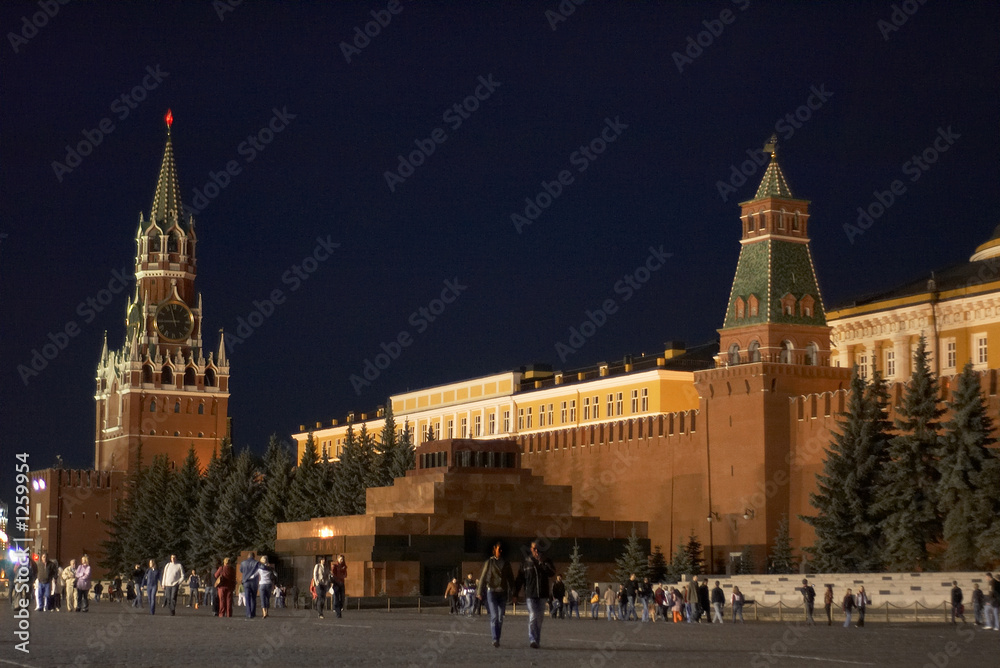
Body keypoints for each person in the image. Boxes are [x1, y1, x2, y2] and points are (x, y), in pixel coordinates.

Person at [512, 540, 556, 649]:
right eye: (533, 548)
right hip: (530, 595)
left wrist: (542, 563)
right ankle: (532, 639)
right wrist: (515, 593)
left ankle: (537, 640)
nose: (536, 550)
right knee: (533, 616)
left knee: (539, 618)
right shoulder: (525, 563)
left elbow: (552, 573)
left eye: (537, 548)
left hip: (542, 594)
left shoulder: (546, 561)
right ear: (531, 550)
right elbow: (519, 579)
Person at [476, 540, 516, 648]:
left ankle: (497, 638)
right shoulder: (489, 562)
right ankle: (494, 639)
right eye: (499, 549)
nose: (500, 551)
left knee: (500, 618)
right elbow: (483, 577)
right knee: (494, 616)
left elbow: (511, 579)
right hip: (492, 592)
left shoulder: (506, 563)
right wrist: (479, 591)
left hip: (502, 593)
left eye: (502, 549)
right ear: (495, 550)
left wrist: (514, 593)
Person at [239, 552, 261, 619]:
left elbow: (241, 570)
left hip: (246, 582)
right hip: (254, 582)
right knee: (253, 598)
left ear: (248, 556)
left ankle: (248, 613)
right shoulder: (257, 563)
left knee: (247, 598)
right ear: (254, 556)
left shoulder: (243, 563)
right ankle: (253, 613)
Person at [329, 554, 347, 618]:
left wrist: (343, 570)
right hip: (336, 584)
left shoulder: (344, 566)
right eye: (340, 559)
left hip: (341, 583)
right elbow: (333, 574)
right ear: (338, 559)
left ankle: (340, 608)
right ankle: (338, 613)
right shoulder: (335, 566)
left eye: (342, 559)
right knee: (336, 598)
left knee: (342, 598)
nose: (342, 560)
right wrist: (336, 580)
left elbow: (345, 575)